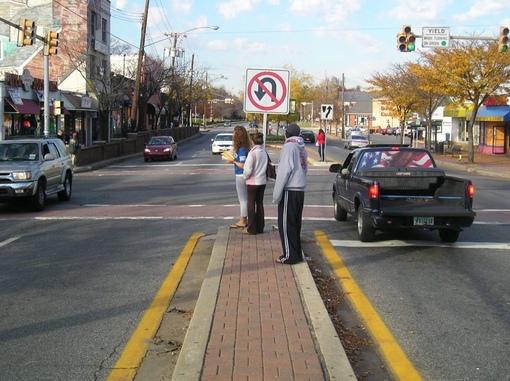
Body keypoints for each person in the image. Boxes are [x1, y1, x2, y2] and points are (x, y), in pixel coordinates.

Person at [273, 123, 308, 264]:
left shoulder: (289, 147)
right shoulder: (302, 148)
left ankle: (290, 255)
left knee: (286, 225)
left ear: (286, 133)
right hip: (300, 189)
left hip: (290, 189)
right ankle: (296, 253)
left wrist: (277, 194)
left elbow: (284, 170)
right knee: (295, 224)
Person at [224, 126, 251, 228]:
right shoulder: (244, 147)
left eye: (234, 134)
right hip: (242, 175)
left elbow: (243, 165)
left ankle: (243, 220)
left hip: (241, 175)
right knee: (245, 199)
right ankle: (245, 219)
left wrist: (233, 161)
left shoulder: (242, 149)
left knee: (243, 199)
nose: (233, 136)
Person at [242, 132, 268, 235]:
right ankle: (260, 227)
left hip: (253, 182)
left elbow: (247, 170)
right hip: (262, 182)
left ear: (252, 141)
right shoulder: (264, 152)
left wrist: (245, 177)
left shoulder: (252, 153)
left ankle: (251, 228)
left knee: (251, 205)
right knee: (260, 204)